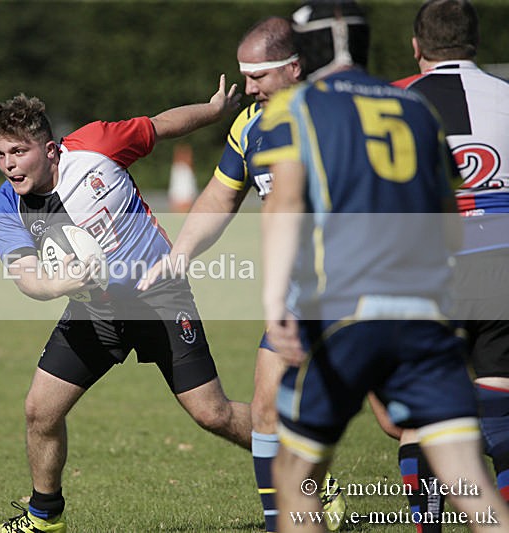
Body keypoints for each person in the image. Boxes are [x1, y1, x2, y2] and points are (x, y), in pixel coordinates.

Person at [252, 1, 509, 531]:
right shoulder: (414, 111)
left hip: (345, 313)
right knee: (471, 480)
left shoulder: (296, 108)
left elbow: (283, 204)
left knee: (297, 475)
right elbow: (449, 223)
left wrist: (277, 303)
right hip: (424, 314)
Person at [0, 78, 254, 533]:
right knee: (40, 411)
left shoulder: (95, 146)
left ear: (49, 150)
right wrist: (59, 284)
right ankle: (45, 517)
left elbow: (160, 126)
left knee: (213, 414)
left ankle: (306, 473)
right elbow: (27, 277)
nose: (9, 166)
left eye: (19, 152)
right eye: (1, 154)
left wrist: (213, 111)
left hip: (159, 297)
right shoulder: (5, 207)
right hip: (95, 311)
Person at [138, 16, 345, 532]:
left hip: (367, 288)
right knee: (267, 412)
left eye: (259, 76)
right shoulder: (250, 124)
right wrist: (181, 253)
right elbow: (221, 194)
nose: (247, 88)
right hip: (299, 298)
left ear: (294, 68)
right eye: (244, 76)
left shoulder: (343, 114)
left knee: (398, 421)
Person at [370, 0, 509, 525]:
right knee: (501, 413)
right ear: (475, 42)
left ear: (416, 46)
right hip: (503, 267)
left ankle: (426, 520)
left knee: (417, 416)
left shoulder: (390, 104)